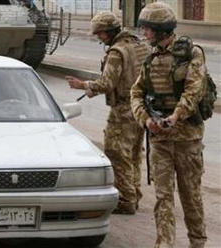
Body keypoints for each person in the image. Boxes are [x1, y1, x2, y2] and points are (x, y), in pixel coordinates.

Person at [130, 2, 207, 248]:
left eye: (148, 28)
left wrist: (175, 117)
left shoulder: (192, 52)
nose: (144, 32)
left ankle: (197, 242)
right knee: (163, 198)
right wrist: (146, 119)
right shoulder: (150, 58)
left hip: (187, 140)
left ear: (162, 30)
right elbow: (136, 93)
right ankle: (165, 244)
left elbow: (194, 91)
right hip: (160, 140)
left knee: (190, 196)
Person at [65, 11, 149, 215]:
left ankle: (125, 199)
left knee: (117, 153)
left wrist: (82, 85)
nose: (99, 37)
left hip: (123, 110)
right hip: (141, 108)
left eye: (101, 33)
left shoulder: (117, 52)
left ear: (110, 31)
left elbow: (107, 83)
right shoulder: (138, 44)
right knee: (134, 153)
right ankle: (134, 194)